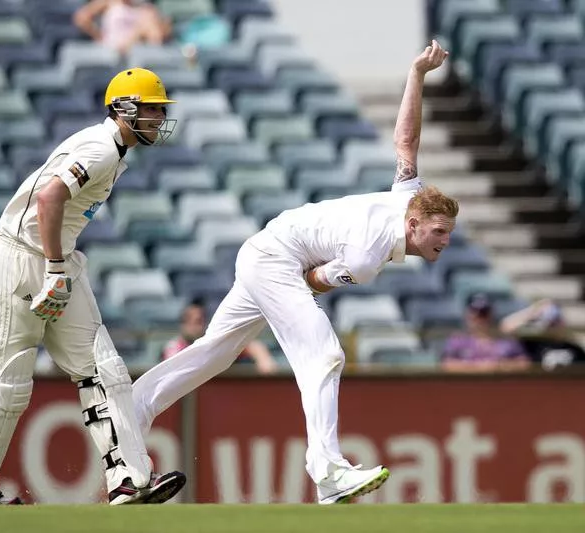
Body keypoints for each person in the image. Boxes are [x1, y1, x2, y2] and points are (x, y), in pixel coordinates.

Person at [131, 41, 454, 505]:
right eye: (439, 231)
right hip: (276, 260)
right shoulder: (367, 256)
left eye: (449, 233)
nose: (444, 240)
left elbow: (406, 142)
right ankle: (327, 473)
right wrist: (288, 299)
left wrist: (417, 74)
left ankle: (132, 411)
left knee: (215, 354)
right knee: (323, 355)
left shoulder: (409, 198)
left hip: (267, 252)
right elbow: (313, 281)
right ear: (414, 225)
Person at [0, 67, 185, 505]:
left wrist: (57, 265)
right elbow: (48, 197)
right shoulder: (99, 147)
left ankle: (128, 481)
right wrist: (50, 266)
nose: (157, 119)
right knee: (8, 384)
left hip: (53, 260)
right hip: (25, 261)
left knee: (103, 369)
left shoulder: (113, 152)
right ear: (124, 109)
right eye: (151, 109)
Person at [162, 299, 278, 375]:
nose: (193, 326)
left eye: (198, 321)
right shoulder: (174, 347)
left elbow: (253, 346)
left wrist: (263, 359)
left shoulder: (213, 342)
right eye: (188, 321)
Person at [441, 293, 531, 373]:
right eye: (475, 313)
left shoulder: (505, 339)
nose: (480, 318)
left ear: (491, 314)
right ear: (467, 314)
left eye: (484, 313)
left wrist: (499, 366)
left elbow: (524, 363)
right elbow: (447, 365)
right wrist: (477, 367)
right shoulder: (458, 339)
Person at [499, 299, 585, 370]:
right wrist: (534, 310)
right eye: (550, 324)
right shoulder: (536, 346)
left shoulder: (574, 349)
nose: (553, 327)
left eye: (556, 323)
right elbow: (506, 326)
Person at [74, 0, 173, 56]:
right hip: (110, 49)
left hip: (137, 51)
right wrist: (99, 37)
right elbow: (82, 18)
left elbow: (157, 36)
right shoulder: (109, 2)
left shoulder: (147, 8)